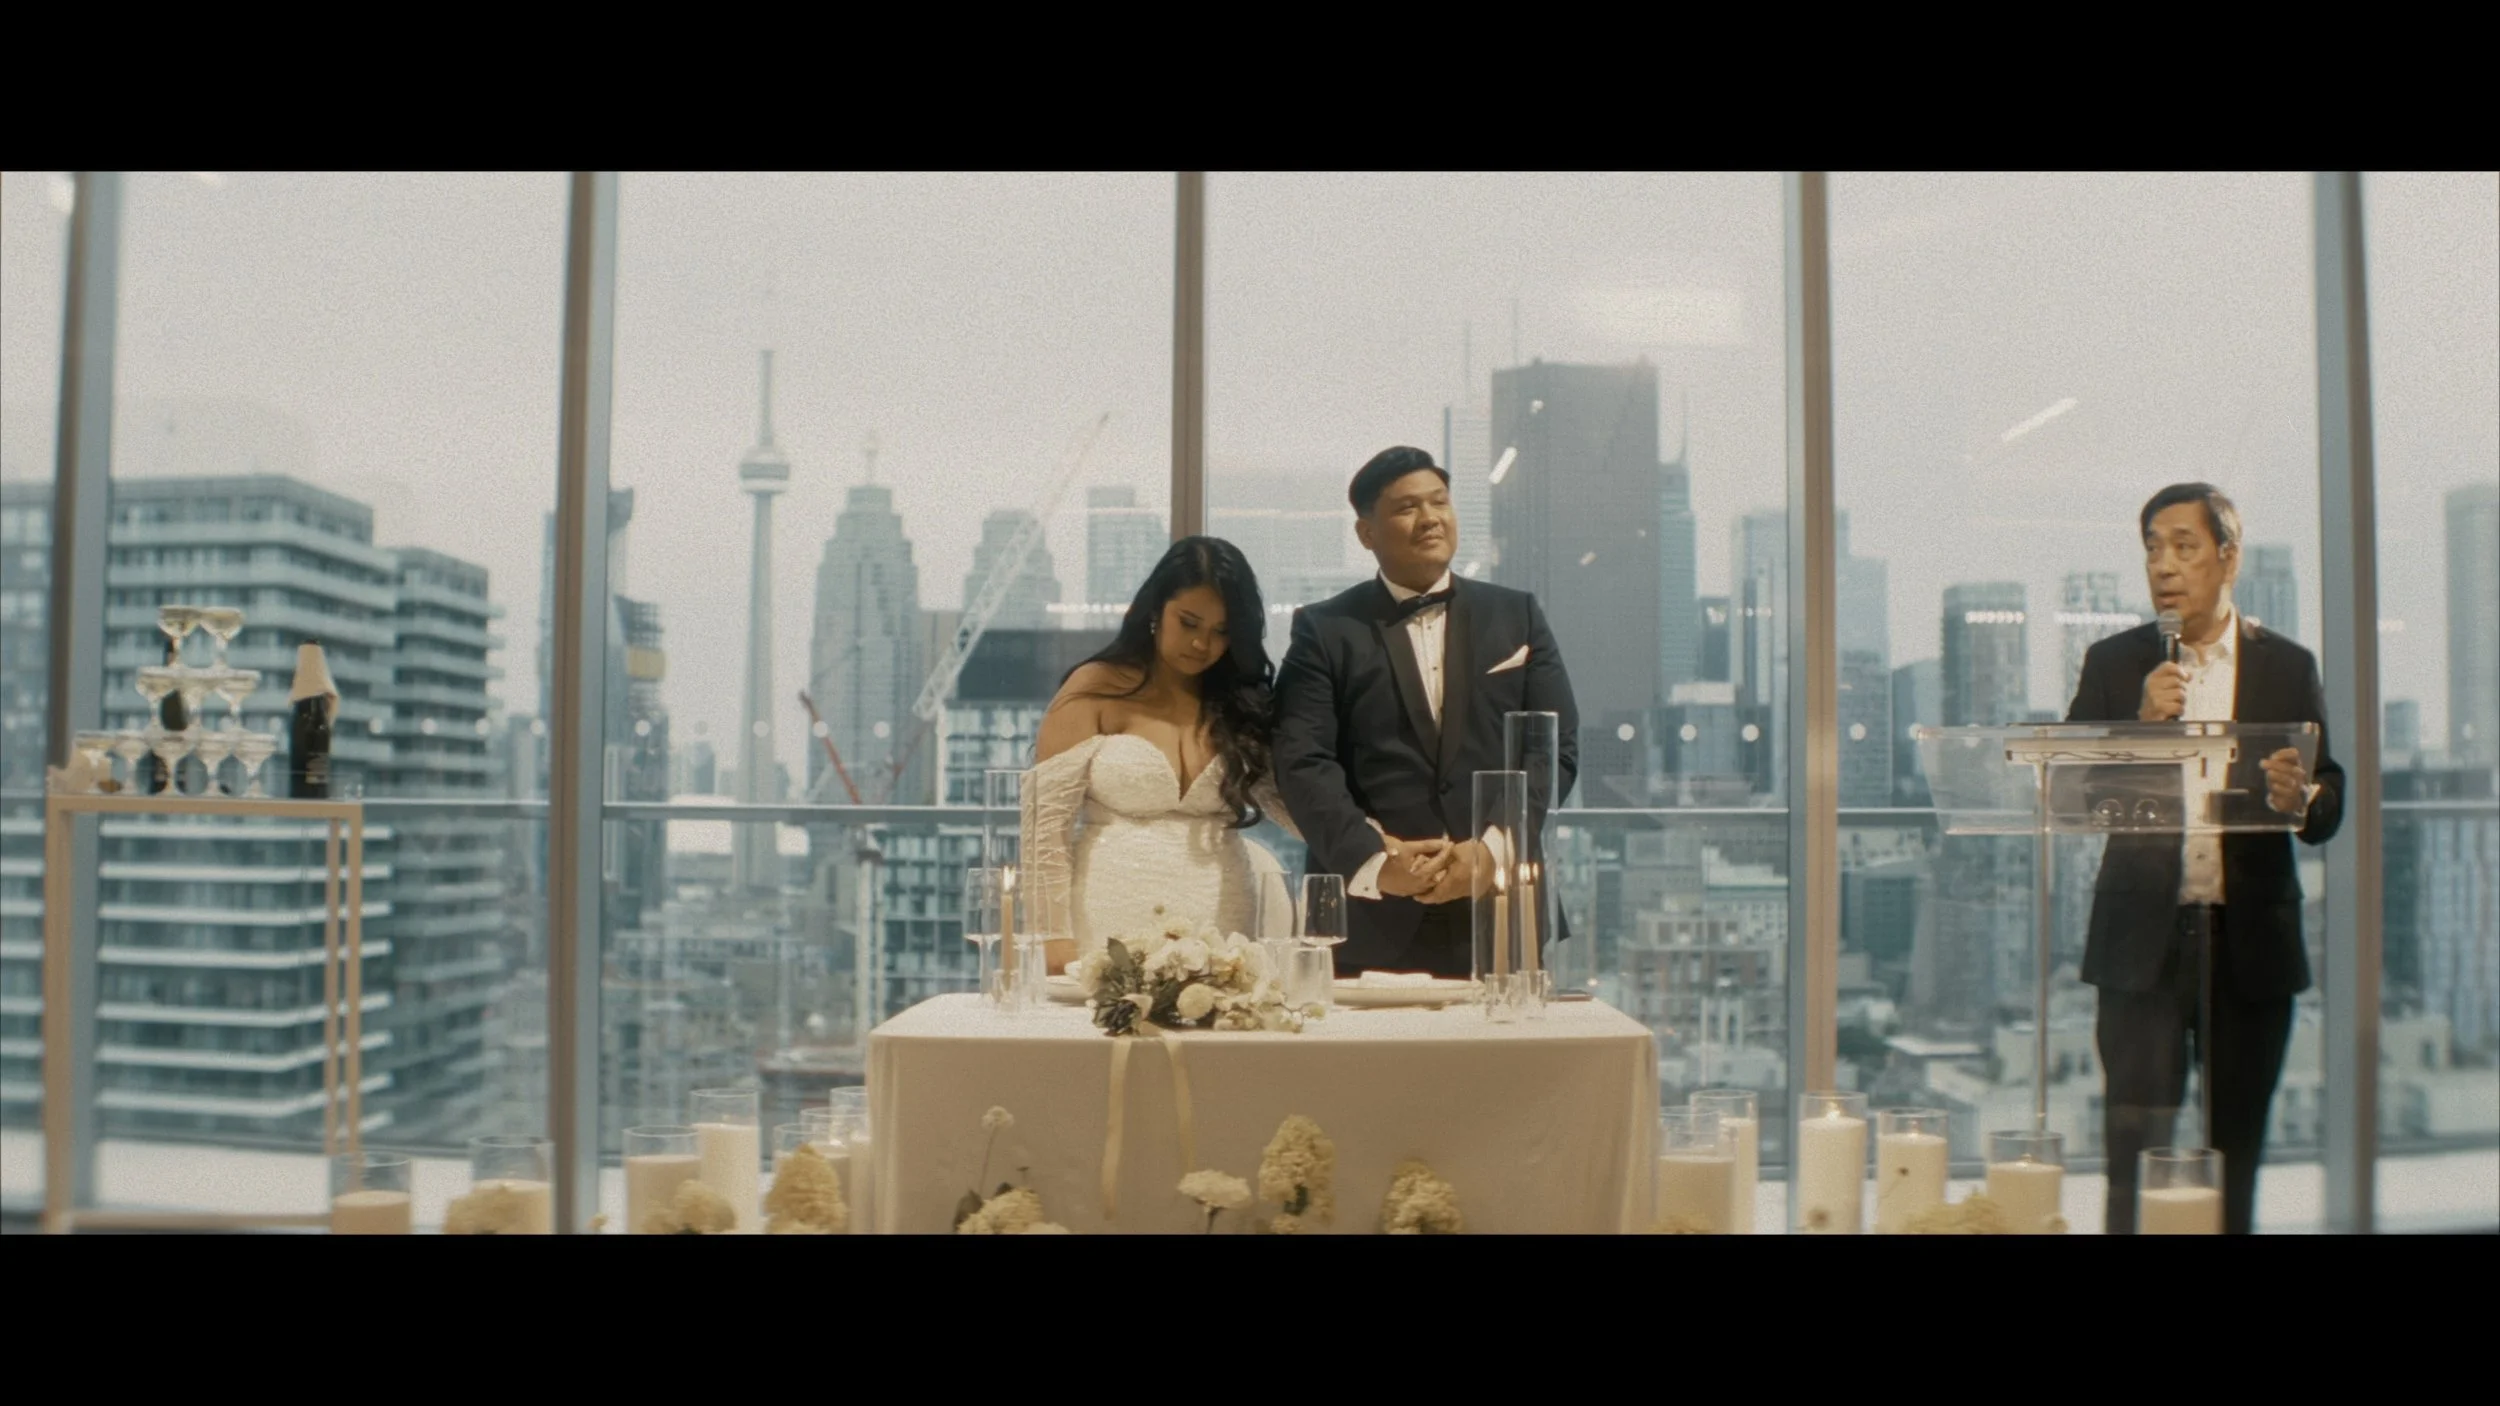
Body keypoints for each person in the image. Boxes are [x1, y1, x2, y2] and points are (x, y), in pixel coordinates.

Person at [2066, 482, 2343, 1234]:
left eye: (2183, 547)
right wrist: (2138, 726)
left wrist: (2302, 797)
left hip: (2248, 947)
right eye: (2152, 548)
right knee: (2131, 1161)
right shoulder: (2114, 663)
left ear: (2228, 557)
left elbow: (2329, 798)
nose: (2164, 565)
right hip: (2141, 950)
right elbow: (2077, 791)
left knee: (2235, 1160)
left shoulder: (2286, 665)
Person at [1272, 445, 1580, 978]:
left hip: (1500, 910)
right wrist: (1378, 860)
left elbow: (1553, 749)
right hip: (1369, 916)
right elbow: (1303, 762)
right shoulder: (1324, 629)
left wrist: (1490, 851)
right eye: (1407, 507)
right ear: (1366, 533)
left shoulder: (1518, 615)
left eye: (1439, 501)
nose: (1430, 518)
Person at [1024, 536, 1298, 968]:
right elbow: (1045, 831)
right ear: (1156, 610)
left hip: (1223, 929)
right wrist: (1053, 941)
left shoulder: (1240, 707)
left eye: (1221, 631)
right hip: (1106, 922)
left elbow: (1299, 809)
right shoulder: (1096, 687)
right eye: (1188, 623)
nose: (1201, 644)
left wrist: (1380, 847)